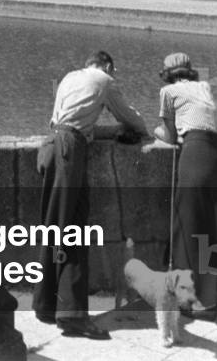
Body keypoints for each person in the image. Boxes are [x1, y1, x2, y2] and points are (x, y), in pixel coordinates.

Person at [33, 49, 148, 339]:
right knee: (73, 233)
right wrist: (129, 129)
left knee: (54, 229)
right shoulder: (104, 80)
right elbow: (135, 121)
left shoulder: (71, 78)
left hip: (50, 146)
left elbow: (79, 124)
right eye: (112, 71)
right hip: (69, 151)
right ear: (107, 65)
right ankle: (72, 317)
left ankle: (45, 304)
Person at [153, 52, 217, 318]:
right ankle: (209, 300)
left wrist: (155, 132)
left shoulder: (168, 91)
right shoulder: (206, 87)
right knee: (207, 231)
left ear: (168, 74)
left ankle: (189, 302)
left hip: (194, 156)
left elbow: (170, 136)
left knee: (186, 231)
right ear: (190, 71)